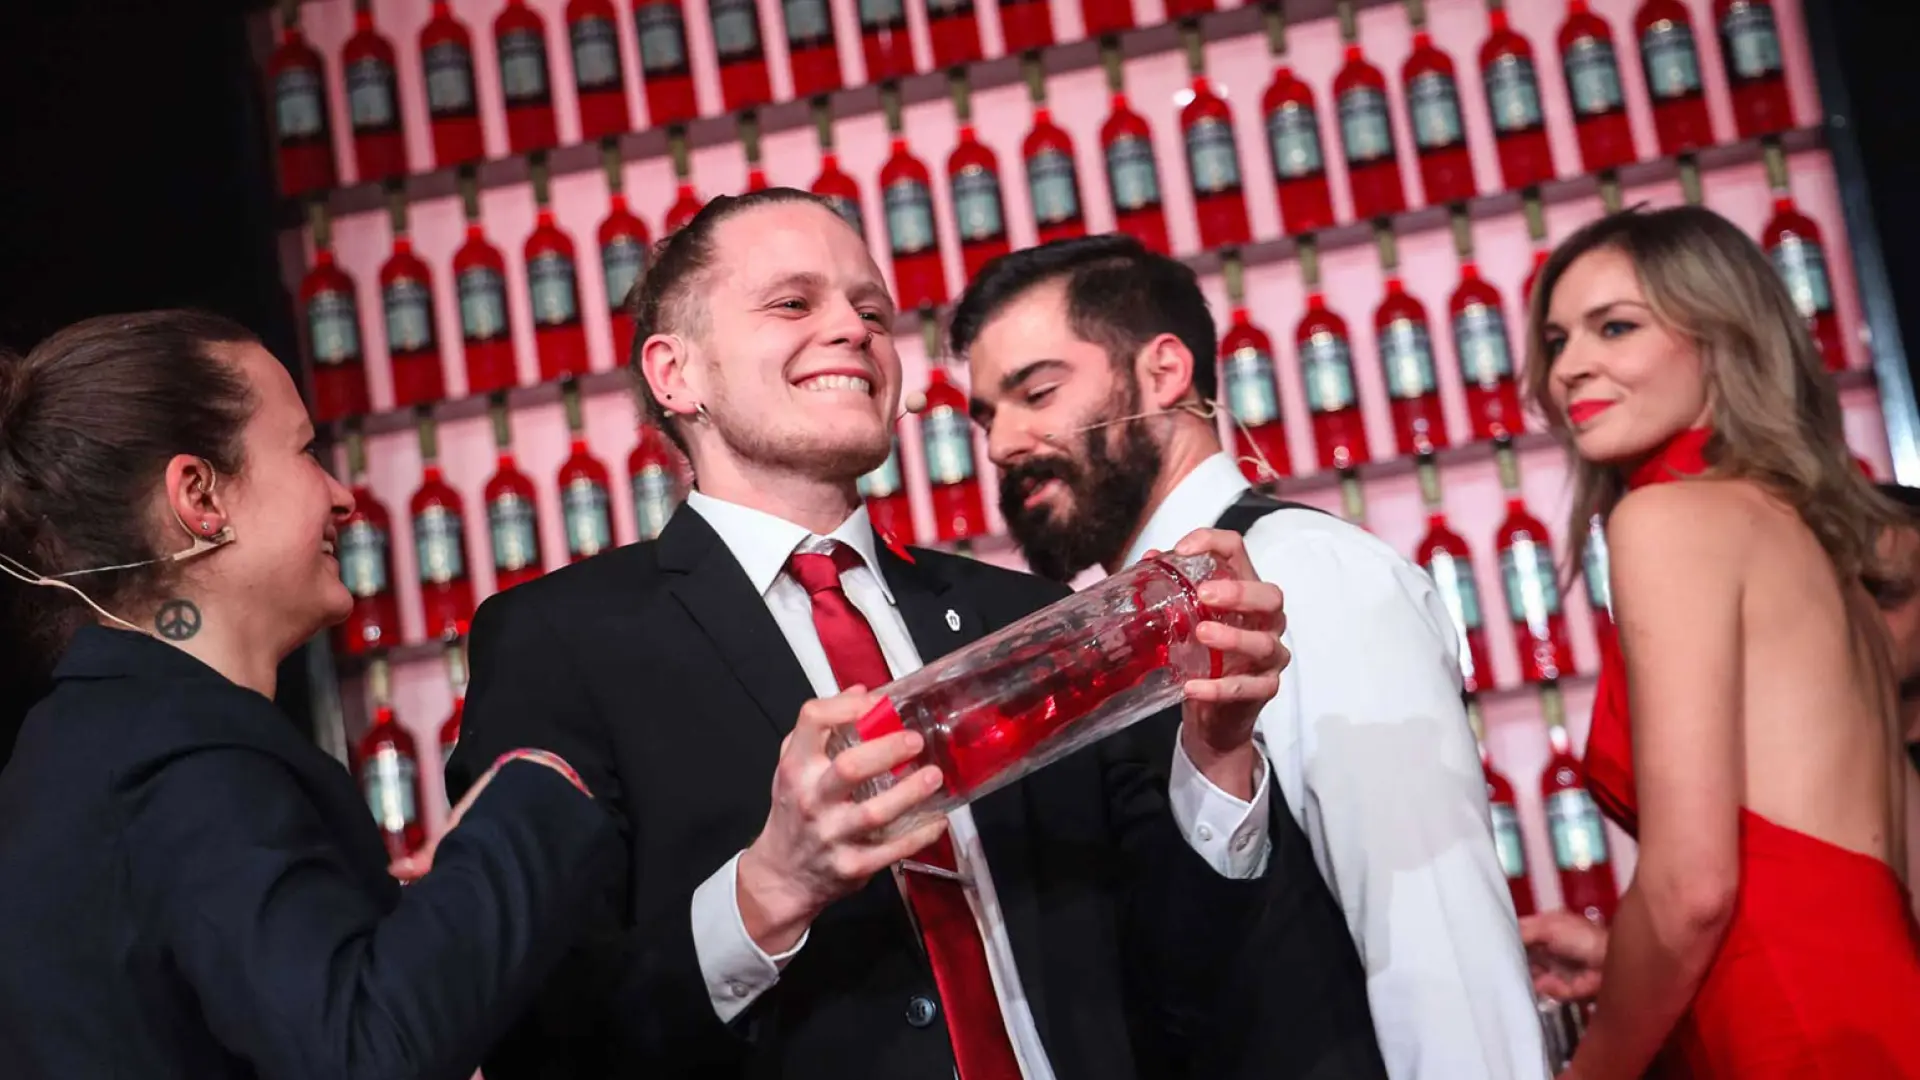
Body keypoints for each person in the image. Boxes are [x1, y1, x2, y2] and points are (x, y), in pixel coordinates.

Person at [446, 188, 1387, 1080]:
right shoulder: (560, 642)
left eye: (870, 308)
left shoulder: (1026, 621)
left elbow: (1194, 981)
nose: (852, 328)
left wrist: (1217, 761)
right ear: (675, 371)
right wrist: (765, 892)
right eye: (790, 302)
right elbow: (540, 1039)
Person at [949, 235, 1547, 1080]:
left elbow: (1436, 942)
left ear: (1164, 373)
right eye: (985, 416)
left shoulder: (1305, 569)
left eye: (1037, 392)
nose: (1003, 442)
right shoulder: (1115, 631)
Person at [0, 311, 624, 1078]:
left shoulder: (84, 738)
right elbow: (362, 1052)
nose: (342, 497)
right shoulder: (181, 755)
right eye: (304, 452)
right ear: (200, 496)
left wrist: (428, 920)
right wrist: (535, 794)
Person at [1517, 204, 1920, 1079]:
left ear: (1723, 338)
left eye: (1614, 327)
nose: (1569, 367)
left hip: (1794, 1032)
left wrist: (1594, 1070)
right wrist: (1628, 957)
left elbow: (1695, 890)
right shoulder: (1814, 546)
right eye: (1555, 340)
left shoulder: (1666, 520)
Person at [1525, 477, 1920, 990]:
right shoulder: (1822, 757)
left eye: (1886, 591)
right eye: (1844, 586)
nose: (1856, 611)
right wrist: (1620, 964)